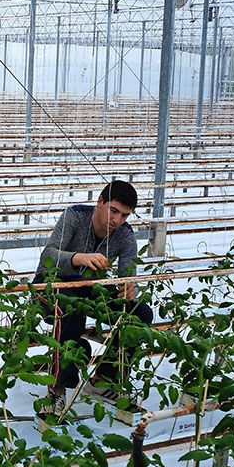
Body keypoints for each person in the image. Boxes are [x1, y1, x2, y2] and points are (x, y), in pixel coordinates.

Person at [33, 180, 153, 420]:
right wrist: (79, 258)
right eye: (114, 211)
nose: (117, 220)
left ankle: (104, 379)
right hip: (50, 283)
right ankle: (57, 390)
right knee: (72, 309)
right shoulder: (75, 216)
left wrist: (129, 290)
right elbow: (48, 254)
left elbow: (128, 277)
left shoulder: (126, 236)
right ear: (100, 202)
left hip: (90, 287)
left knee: (140, 313)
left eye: (125, 216)